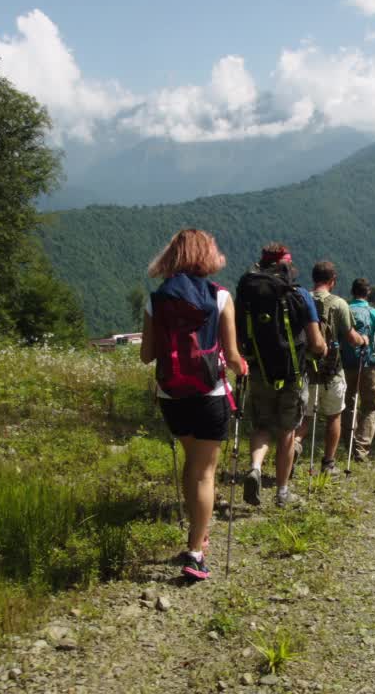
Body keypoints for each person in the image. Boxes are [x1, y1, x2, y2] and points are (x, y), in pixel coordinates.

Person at [140, 229, 248, 582]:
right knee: (205, 472)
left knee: (193, 464)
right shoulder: (220, 297)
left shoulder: (155, 300)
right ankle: (196, 552)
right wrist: (241, 365)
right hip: (209, 394)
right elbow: (231, 357)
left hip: (172, 395)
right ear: (207, 256)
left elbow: (146, 356)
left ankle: (197, 535)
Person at [235, 243, 326, 507]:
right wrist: (317, 352)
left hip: (260, 372)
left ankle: (255, 467)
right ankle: (282, 492)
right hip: (293, 374)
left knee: (262, 426)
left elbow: (240, 338)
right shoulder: (299, 295)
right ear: (287, 266)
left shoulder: (248, 294)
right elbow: (317, 343)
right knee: (287, 431)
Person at [295, 261, 366, 475]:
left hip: (305, 370)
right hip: (332, 370)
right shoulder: (339, 304)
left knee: (304, 417)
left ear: (314, 278)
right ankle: (328, 463)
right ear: (332, 281)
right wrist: (363, 340)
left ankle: (295, 445)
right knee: (334, 416)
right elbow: (351, 338)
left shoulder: (300, 299)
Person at [340, 277, 375, 463]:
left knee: (347, 405)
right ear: (368, 292)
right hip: (368, 365)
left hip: (345, 365)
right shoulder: (374, 313)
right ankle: (361, 448)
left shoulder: (343, 310)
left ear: (352, 292)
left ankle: (349, 446)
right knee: (370, 406)